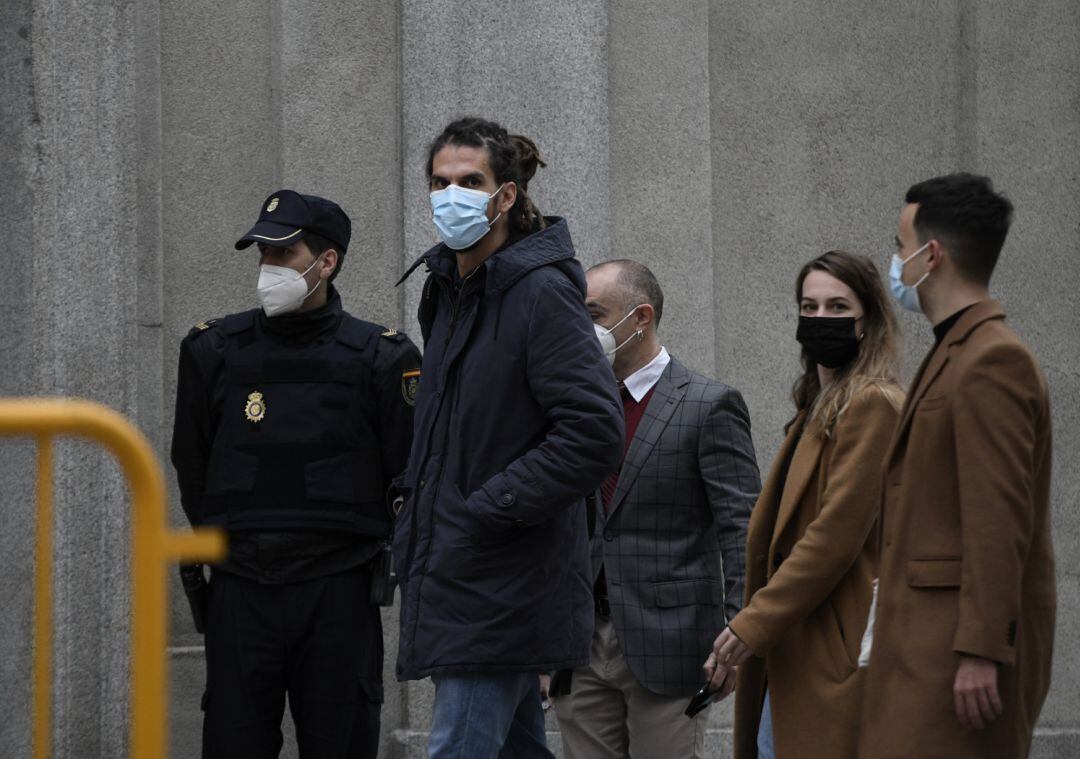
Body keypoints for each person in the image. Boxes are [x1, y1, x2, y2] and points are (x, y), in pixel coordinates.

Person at [392, 117, 624, 759]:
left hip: (498, 579)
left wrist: (484, 511)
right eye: (439, 182)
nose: (450, 196)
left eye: (470, 181)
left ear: (506, 196)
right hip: (463, 571)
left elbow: (593, 431)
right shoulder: (449, 289)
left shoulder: (542, 292)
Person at [170, 189, 421, 758]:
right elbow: (192, 463)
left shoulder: (384, 358)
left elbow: (405, 474)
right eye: (262, 253)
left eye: (282, 254)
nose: (267, 267)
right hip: (240, 587)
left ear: (326, 262)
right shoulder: (212, 349)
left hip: (339, 590)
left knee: (340, 742)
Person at [858, 173, 1055, 759]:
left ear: (931, 254)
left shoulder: (992, 360)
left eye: (900, 247)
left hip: (954, 654)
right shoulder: (957, 351)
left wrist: (982, 650)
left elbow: (999, 519)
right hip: (928, 643)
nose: (896, 263)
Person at [549, 259, 761, 758]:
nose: (580, 329)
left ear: (640, 317)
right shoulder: (568, 407)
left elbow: (741, 527)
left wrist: (739, 631)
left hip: (669, 643)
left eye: (594, 315)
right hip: (578, 644)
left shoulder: (709, 405)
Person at [704, 250, 905, 759]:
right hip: (797, 642)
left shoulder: (872, 403)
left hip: (829, 643)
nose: (819, 320)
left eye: (838, 308)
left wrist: (751, 623)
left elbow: (834, 535)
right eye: (808, 307)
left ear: (867, 323)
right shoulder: (818, 405)